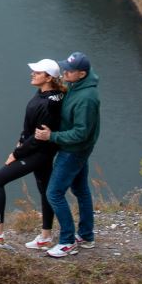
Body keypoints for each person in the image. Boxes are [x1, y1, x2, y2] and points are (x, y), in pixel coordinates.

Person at [0, 60, 65, 249]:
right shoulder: (47, 94)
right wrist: (21, 140)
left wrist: (16, 153)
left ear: (48, 77)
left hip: (38, 154)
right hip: (41, 152)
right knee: (46, 191)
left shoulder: (50, 104)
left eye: (37, 72)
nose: (32, 74)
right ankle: (45, 237)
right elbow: (30, 129)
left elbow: (39, 136)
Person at [35, 50, 100, 259]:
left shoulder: (87, 98)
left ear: (81, 74)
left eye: (69, 71)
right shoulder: (76, 86)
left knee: (53, 193)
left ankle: (67, 241)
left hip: (73, 151)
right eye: (64, 68)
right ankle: (87, 236)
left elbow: (81, 132)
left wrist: (52, 137)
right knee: (80, 190)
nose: (64, 72)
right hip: (76, 149)